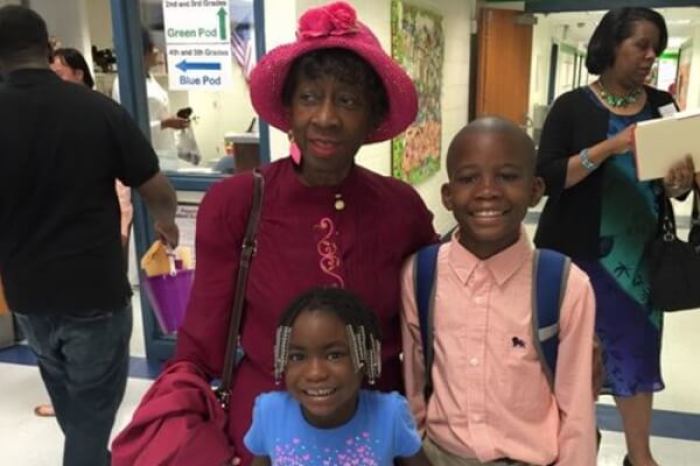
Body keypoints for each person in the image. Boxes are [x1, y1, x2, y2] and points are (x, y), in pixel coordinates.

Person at [111, 2, 436, 465]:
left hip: (379, 434)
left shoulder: (402, 209)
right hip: (266, 432)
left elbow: (440, 322)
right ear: (287, 108)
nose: (325, 117)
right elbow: (200, 349)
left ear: (372, 119)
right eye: (309, 97)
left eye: (347, 100)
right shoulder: (238, 202)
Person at [0, 6, 179, 466]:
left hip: (28, 296)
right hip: (93, 293)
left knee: (76, 409)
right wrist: (167, 222)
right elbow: (157, 189)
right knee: (91, 412)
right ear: (49, 48)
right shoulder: (96, 110)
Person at [534, 8, 695, 466]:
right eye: (640, 46)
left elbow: (674, 187)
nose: (649, 56)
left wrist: (680, 182)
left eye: (655, 49)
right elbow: (547, 179)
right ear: (611, 45)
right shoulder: (571, 106)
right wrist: (610, 147)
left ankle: (640, 455)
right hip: (574, 259)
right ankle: (580, 446)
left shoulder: (663, 104)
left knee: (636, 357)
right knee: (574, 360)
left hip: (639, 260)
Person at [401, 117, 597, 466]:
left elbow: (577, 409)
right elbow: (413, 386)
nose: (487, 190)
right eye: (468, 178)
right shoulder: (421, 274)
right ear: (447, 196)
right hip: (440, 456)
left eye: (507, 176)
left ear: (536, 189)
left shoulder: (566, 283)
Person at [245, 287, 431, 466]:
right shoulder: (269, 412)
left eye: (334, 355)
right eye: (298, 357)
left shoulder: (390, 414)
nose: (315, 373)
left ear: (364, 358)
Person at [112, 28, 190, 171]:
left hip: (164, 151)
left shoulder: (149, 79)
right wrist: (164, 123)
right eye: (152, 47)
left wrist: (172, 121)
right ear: (142, 52)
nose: (156, 51)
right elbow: (128, 126)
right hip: (145, 155)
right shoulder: (124, 82)